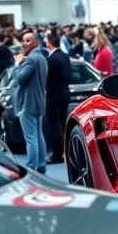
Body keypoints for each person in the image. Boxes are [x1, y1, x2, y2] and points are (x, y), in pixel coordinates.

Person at [11, 32, 48, 173]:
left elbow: (19, 79)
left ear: (36, 42)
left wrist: (16, 64)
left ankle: (32, 167)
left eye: (28, 40)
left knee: (31, 138)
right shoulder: (42, 58)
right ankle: (41, 164)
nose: (24, 43)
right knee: (38, 135)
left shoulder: (30, 60)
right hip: (39, 102)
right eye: (23, 40)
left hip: (28, 103)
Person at [44, 29, 71, 165]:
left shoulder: (51, 59)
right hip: (65, 92)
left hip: (54, 94)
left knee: (55, 124)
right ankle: (65, 150)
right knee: (62, 122)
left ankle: (57, 154)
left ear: (49, 43)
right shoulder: (65, 56)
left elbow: (46, 78)